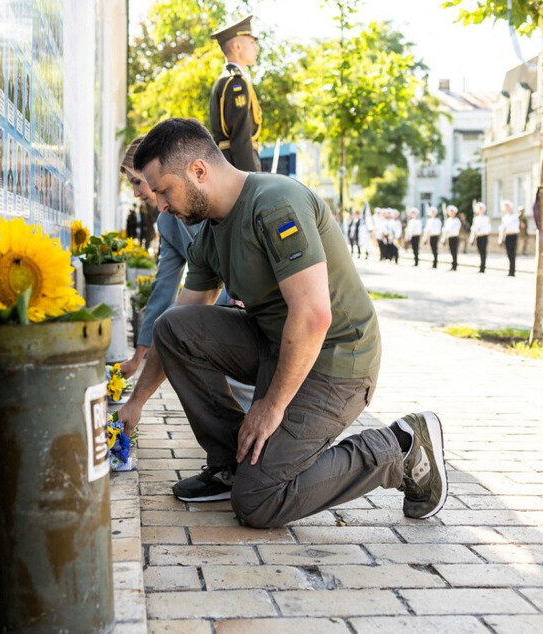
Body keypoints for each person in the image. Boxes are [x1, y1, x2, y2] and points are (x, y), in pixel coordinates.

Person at [121, 117, 448, 528]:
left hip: (336, 361)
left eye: (164, 190)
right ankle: (230, 465)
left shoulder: (275, 202)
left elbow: (313, 316)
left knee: (259, 502)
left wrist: (270, 407)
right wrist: (136, 403)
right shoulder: (209, 232)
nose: (161, 204)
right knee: (175, 327)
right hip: (278, 347)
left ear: (198, 171)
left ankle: (399, 447)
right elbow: (180, 324)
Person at [117, 135, 253, 409]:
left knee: (250, 394)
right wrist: (138, 356)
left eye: (136, 182)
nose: (136, 192)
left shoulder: (201, 202)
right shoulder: (167, 222)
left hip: (245, 304)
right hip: (213, 307)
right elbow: (164, 287)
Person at [208, 15, 262, 172]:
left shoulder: (228, 79)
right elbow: (240, 137)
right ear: (237, 47)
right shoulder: (235, 82)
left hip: (229, 161)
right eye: (252, 43)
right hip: (237, 162)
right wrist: (251, 179)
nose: (256, 48)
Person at [498, 200, 520, 277]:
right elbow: (502, 228)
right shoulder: (504, 217)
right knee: (508, 253)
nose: (506, 209)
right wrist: (501, 238)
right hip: (506, 236)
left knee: (512, 253)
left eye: (508, 207)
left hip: (513, 236)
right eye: (505, 207)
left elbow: (514, 228)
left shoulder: (514, 216)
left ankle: (512, 271)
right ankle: (510, 270)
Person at [469, 202, 491, 273]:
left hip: (484, 236)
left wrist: (480, 230)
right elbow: (473, 229)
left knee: (483, 252)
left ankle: (483, 267)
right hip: (478, 237)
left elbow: (487, 228)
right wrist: (472, 238)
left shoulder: (486, 218)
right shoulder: (476, 219)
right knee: (480, 251)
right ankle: (481, 266)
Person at [442, 205, 461, 271]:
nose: (451, 213)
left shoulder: (457, 220)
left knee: (454, 251)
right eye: (450, 211)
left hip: (455, 237)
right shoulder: (448, 220)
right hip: (449, 237)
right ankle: (453, 264)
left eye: (452, 211)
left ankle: (455, 265)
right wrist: (444, 237)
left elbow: (455, 230)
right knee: (451, 251)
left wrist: (449, 230)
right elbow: (445, 230)